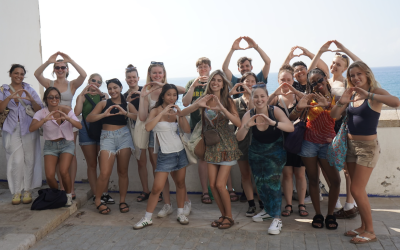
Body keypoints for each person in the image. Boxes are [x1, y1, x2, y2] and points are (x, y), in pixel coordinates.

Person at [331, 61, 400, 243]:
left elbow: (396, 102)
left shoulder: (375, 93)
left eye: (359, 74)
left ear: (367, 74)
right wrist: (343, 102)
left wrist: (368, 94)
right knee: (356, 187)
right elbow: (334, 115)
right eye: (352, 75)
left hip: (367, 149)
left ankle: (370, 231)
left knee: (356, 189)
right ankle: (362, 226)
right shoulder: (352, 93)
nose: (355, 78)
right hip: (351, 147)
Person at [180, 70, 242, 229]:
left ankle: (229, 217)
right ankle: (223, 215)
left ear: (223, 84)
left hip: (226, 146)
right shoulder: (204, 98)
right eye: (213, 80)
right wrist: (197, 104)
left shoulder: (227, 100)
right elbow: (181, 113)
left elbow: (238, 123)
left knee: (221, 185)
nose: (215, 83)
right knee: (213, 185)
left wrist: (222, 108)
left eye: (219, 81)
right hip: (210, 146)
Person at [309, 40, 363, 216]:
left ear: (346, 68)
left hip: (343, 126)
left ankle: (350, 202)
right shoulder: (326, 79)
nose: (334, 65)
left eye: (338, 64)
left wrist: (344, 49)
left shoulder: (348, 82)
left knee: (347, 167)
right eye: (333, 62)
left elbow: (362, 66)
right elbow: (311, 73)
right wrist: (319, 51)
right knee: (330, 166)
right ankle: (337, 199)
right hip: (327, 127)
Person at [236, 83, 294, 235]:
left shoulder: (275, 111)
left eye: (262, 96)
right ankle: (268, 211)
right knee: (261, 183)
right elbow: (239, 137)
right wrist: (247, 125)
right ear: (252, 98)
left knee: (273, 183)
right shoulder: (249, 114)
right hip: (256, 153)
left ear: (267, 97)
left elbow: (290, 127)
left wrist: (273, 123)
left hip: (275, 153)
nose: (259, 99)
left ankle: (277, 218)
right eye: (256, 96)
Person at [133, 84, 191, 229]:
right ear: (163, 96)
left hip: (180, 152)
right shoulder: (155, 110)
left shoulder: (176, 110)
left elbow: (187, 130)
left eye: (174, 95)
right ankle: (147, 218)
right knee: (156, 188)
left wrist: (180, 115)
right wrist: (163, 112)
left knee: (180, 184)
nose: (172, 97)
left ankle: (180, 213)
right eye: (169, 94)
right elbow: (148, 127)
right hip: (165, 155)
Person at [290, 68, 341, 230]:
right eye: (313, 83)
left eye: (320, 80)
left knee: (335, 181)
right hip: (309, 143)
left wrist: (327, 106)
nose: (318, 84)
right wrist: (299, 107)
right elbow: (291, 118)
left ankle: (330, 214)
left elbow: (337, 117)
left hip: (328, 143)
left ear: (326, 78)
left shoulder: (336, 98)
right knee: (312, 179)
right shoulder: (309, 98)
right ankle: (318, 214)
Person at [34, 51, 87, 200]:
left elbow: (83, 75)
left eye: (63, 67)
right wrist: (48, 62)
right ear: (54, 70)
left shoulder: (72, 85)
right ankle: (62, 187)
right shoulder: (49, 84)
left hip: (69, 121)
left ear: (67, 69)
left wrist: (71, 60)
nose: (60, 70)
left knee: (71, 155)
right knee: (56, 155)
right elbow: (37, 74)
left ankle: (71, 187)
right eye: (57, 67)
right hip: (53, 122)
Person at [86, 78, 137, 214]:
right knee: (104, 173)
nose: (112, 91)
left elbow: (139, 117)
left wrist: (124, 113)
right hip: (107, 137)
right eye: (110, 88)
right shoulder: (104, 103)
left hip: (124, 137)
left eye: (115, 87)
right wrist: (104, 114)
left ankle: (122, 200)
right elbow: (89, 118)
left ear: (121, 88)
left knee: (122, 171)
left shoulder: (127, 104)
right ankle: (98, 200)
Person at [29, 87, 82, 206]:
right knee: (49, 175)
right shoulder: (41, 113)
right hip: (50, 145)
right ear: (46, 99)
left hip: (66, 144)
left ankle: (68, 195)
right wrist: (44, 120)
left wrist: (68, 118)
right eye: (51, 97)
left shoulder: (67, 110)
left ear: (59, 98)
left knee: (63, 171)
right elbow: (32, 128)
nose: (54, 99)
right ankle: (58, 194)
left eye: (56, 97)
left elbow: (79, 126)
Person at [267, 65, 307, 217]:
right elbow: (264, 105)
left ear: (293, 80)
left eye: (288, 80)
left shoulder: (297, 96)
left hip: (298, 142)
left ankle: (301, 204)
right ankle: (289, 204)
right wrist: (277, 92)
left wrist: (294, 90)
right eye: (282, 80)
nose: (285, 83)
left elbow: (308, 100)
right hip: (281, 142)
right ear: (278, 81)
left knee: (301, 175)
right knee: (287, 174)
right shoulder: (276, 98)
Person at [0, 64, 43, 205]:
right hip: (11, 128)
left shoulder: (29, 89)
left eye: (22, 73)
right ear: (10, 74)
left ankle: (28, 190)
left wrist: (31, 99)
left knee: (29, 159)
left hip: (29, 127)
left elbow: (39, 109)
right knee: (16, 160)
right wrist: (10, 97)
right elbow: (1, 109)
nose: (19, 75)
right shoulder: (3, 89)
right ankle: (16, 191)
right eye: (16, 73)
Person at [74, 73, 115, 204]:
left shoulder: (104, 96)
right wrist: (82, 94)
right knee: (92, 164)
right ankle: (95, 193)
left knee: (104, 165)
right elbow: (76, 113)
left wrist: (101, 94)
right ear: (88, 81)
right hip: (86, 129)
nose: (96, 83)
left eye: (99, 82)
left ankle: (104, 194)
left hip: (102, 130)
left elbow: (109, 107)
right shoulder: (82, 96)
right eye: (93, 80)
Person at [182, 57, 212, 204]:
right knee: (202, 158)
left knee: (221, 157)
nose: (203, 69)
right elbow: (185, 103)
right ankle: (205, 191)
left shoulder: (214, 81)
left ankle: (226, 189)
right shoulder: (191, 83)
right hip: (197, 127)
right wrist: (193, 86)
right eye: (200, 67)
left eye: (205, 66)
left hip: (213, 126)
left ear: (210, 68)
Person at [228, 72, 257, 215]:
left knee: (258, 174)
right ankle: (251, 204)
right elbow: (221, 106)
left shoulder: (260, 100)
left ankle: (262, 202)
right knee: (245, 174)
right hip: (241, 141)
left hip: (258, 141)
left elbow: (253, 111)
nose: (249, 84)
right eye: (247, 81)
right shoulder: (235, 102)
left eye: (252, 81)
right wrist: (230, 93)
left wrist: (253, 94)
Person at [123, 64, 149, 202]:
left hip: (151, 128)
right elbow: (128, 116)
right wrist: (126, 104)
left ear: (138, 78)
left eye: (134, 77)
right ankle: (146, 190)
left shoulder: (146, 90)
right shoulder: (124, 96)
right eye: (129, 77)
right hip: (136, 131)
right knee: (141, 162)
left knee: (158, 163)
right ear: (126, 79)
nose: (132, 79)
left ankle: (159, 192)